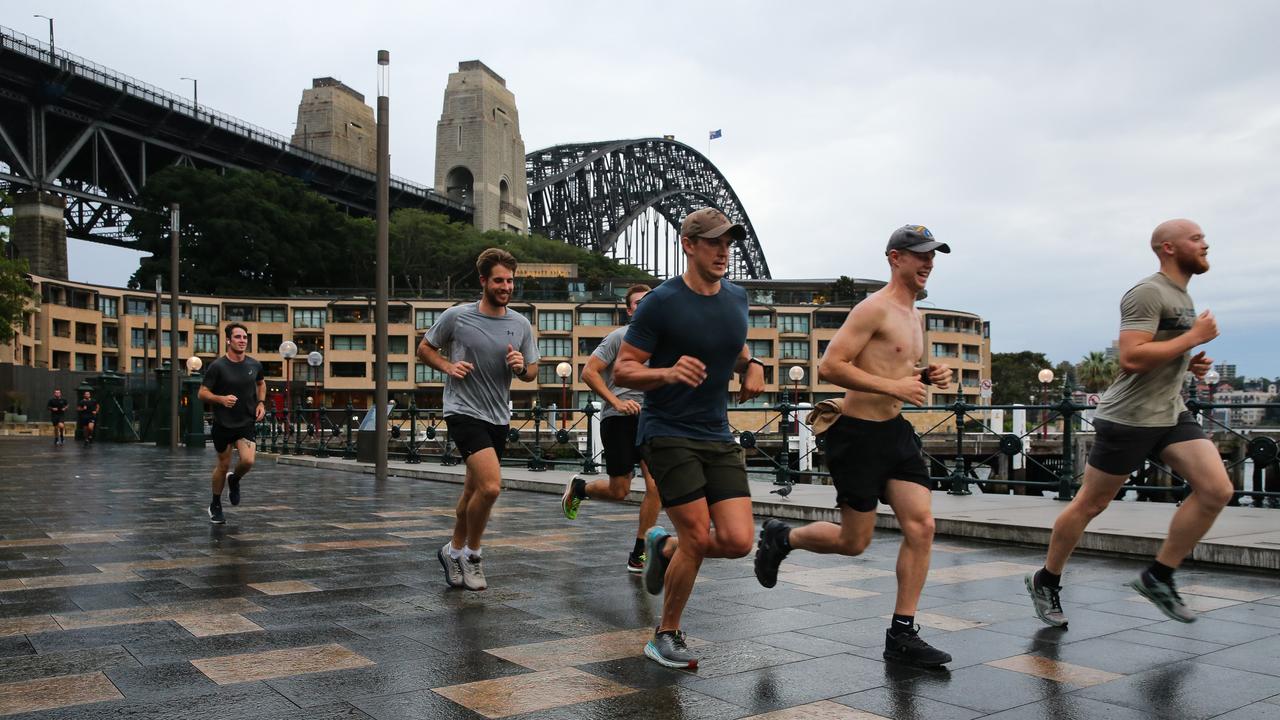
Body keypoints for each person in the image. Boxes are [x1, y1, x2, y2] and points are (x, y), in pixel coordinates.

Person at [753, 224, 955, 667]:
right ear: (894, 258)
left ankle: (902, 633)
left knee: (921, 526)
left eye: (932, 255)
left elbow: (895, 369)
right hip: (857, 436)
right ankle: (781, 537)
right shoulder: (873, 309)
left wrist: (926, 376)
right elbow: (831, 365)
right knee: (853, 541)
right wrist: (895, 385)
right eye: (920, 255)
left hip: (895, 433)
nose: (928, 263)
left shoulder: (915, 314)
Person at [1027, 219, 1229, 626]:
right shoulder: (1148, 292)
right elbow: (1132, 358)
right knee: (1091, 503)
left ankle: (1159, 576)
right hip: (1129, 418)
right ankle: (1046, 580)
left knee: (1217, 489)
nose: (1205, 244)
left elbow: (1158, 353)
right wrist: (1193, 339)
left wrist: (1189, 364)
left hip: (1170, 412)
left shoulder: (1181, 295)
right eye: (1196, 238)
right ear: (1168, 248)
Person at [614, 207, 766, 669]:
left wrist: (753, 366)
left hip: (716, 433)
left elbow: (735, 348)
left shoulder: (737, 298)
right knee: (698, 536)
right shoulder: (662, 301)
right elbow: (624, 368)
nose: (724, 251)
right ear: (688, 245)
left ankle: (663, 547)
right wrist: (667, 372)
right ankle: (666, 633)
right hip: (666, 432)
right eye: (714, 242)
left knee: (740, 540)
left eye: (728, 243)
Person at [418, 248, 539, 592]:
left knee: (472, 490)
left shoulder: (520, 323)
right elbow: (425, 348)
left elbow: (532, 371)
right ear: (484, 281)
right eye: (499, 280)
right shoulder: (457, 316)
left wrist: (521, 368)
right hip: (463, 410)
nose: (506, 286)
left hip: (498, 415)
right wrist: (447, 366)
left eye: (511, 281)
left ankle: (451, 549)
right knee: (490, 487)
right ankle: (472, 554)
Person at [560, 284, 661, 573]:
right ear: (630, 310)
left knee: (657, 485)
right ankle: (580, 488)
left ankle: (639, 553)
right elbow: (589, 372)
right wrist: (616, 402)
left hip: (651, 419)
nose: (645, 306)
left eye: (649, 301)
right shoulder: (618, 337)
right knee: (620, 490)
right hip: (618, 418)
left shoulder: (663, 342)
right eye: (638, 303)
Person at [197, 323, 265, 525]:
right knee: (223, 464)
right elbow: (202, 393)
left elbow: (261, 383)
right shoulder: (218, 366)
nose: (242, 340)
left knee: (248, 461)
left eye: (244, 337)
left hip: (246, 421)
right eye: (237, 337)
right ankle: (215, 503)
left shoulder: (254, 365)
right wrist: (221, 399)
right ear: (228, 340)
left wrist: (261, 402)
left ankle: (234, 479)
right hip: (223, 424)